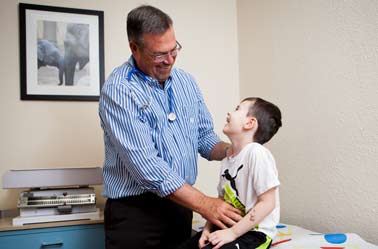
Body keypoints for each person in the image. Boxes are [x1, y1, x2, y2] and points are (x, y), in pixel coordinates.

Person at [98, 5, 242, 249]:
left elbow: (204, 138)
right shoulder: (119, 90)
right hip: (135, 215)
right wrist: (206, 204)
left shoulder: (186, 82)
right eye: (159, 54)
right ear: (134, 48)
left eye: (174, 49)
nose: (170, 60)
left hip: (181, 208)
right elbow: (148, 168)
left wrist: (235, 150)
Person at [176, 97, 282, 249]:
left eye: (237, 109)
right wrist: (207, 230)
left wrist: (232, 233)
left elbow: (268, 202)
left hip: (254, 233)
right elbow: (221, 203)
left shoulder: (257, 153)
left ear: (249, 123)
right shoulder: (228, 159)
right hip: (227, 228)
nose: (229, 113)